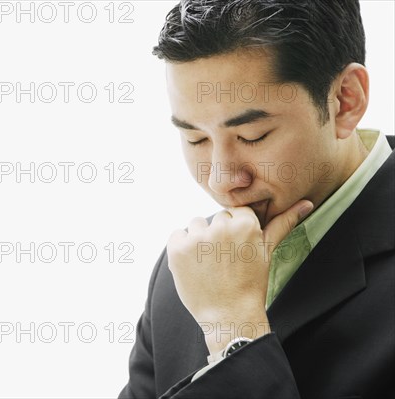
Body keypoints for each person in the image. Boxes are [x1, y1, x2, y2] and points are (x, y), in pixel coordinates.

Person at [118, 1, 394, 398]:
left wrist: (233, 331)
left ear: (345, 100)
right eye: (196, 138)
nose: (221, 180)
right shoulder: (186, 270)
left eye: (253, 136)